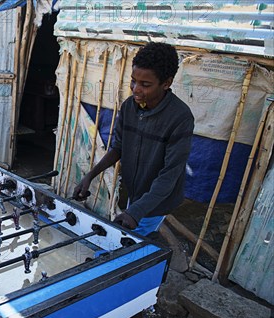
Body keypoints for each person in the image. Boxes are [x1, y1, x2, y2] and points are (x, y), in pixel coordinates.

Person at [72, 42, 194, 236]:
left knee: (128, 248)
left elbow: (169, 175)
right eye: (133, 81)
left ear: (166, 83)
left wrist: (135, 212)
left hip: (157, 201)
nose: (135, 89)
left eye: (145, 85)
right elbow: (118, 147)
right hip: (135, 193)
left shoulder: (180, 118)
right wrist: (90, 175)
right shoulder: (130, 106)